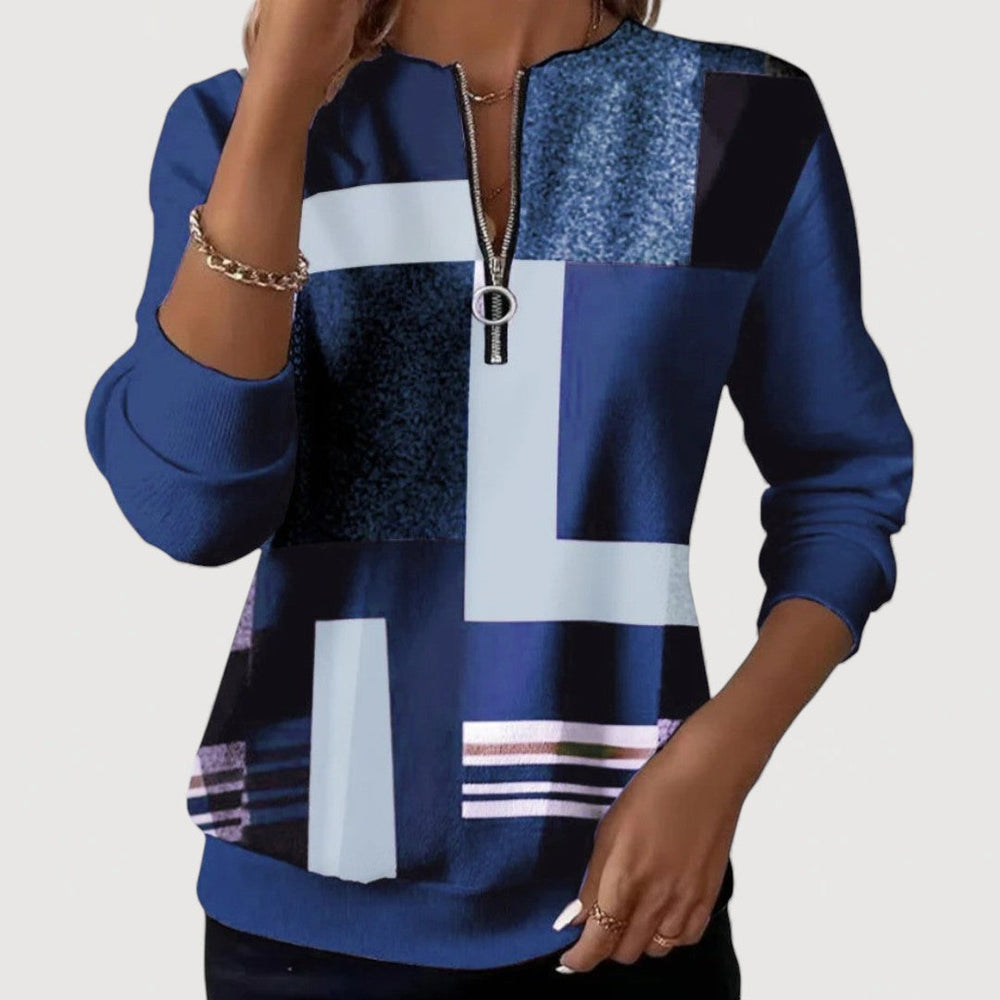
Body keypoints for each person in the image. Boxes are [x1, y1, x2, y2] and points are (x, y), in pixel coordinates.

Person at [83, 0, 914, 996]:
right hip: (299, 927)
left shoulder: (740, 116)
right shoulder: (235, 123)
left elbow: (842, 476)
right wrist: (282, 96)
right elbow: (191, 507)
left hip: (631, 905)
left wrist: (719, 759)